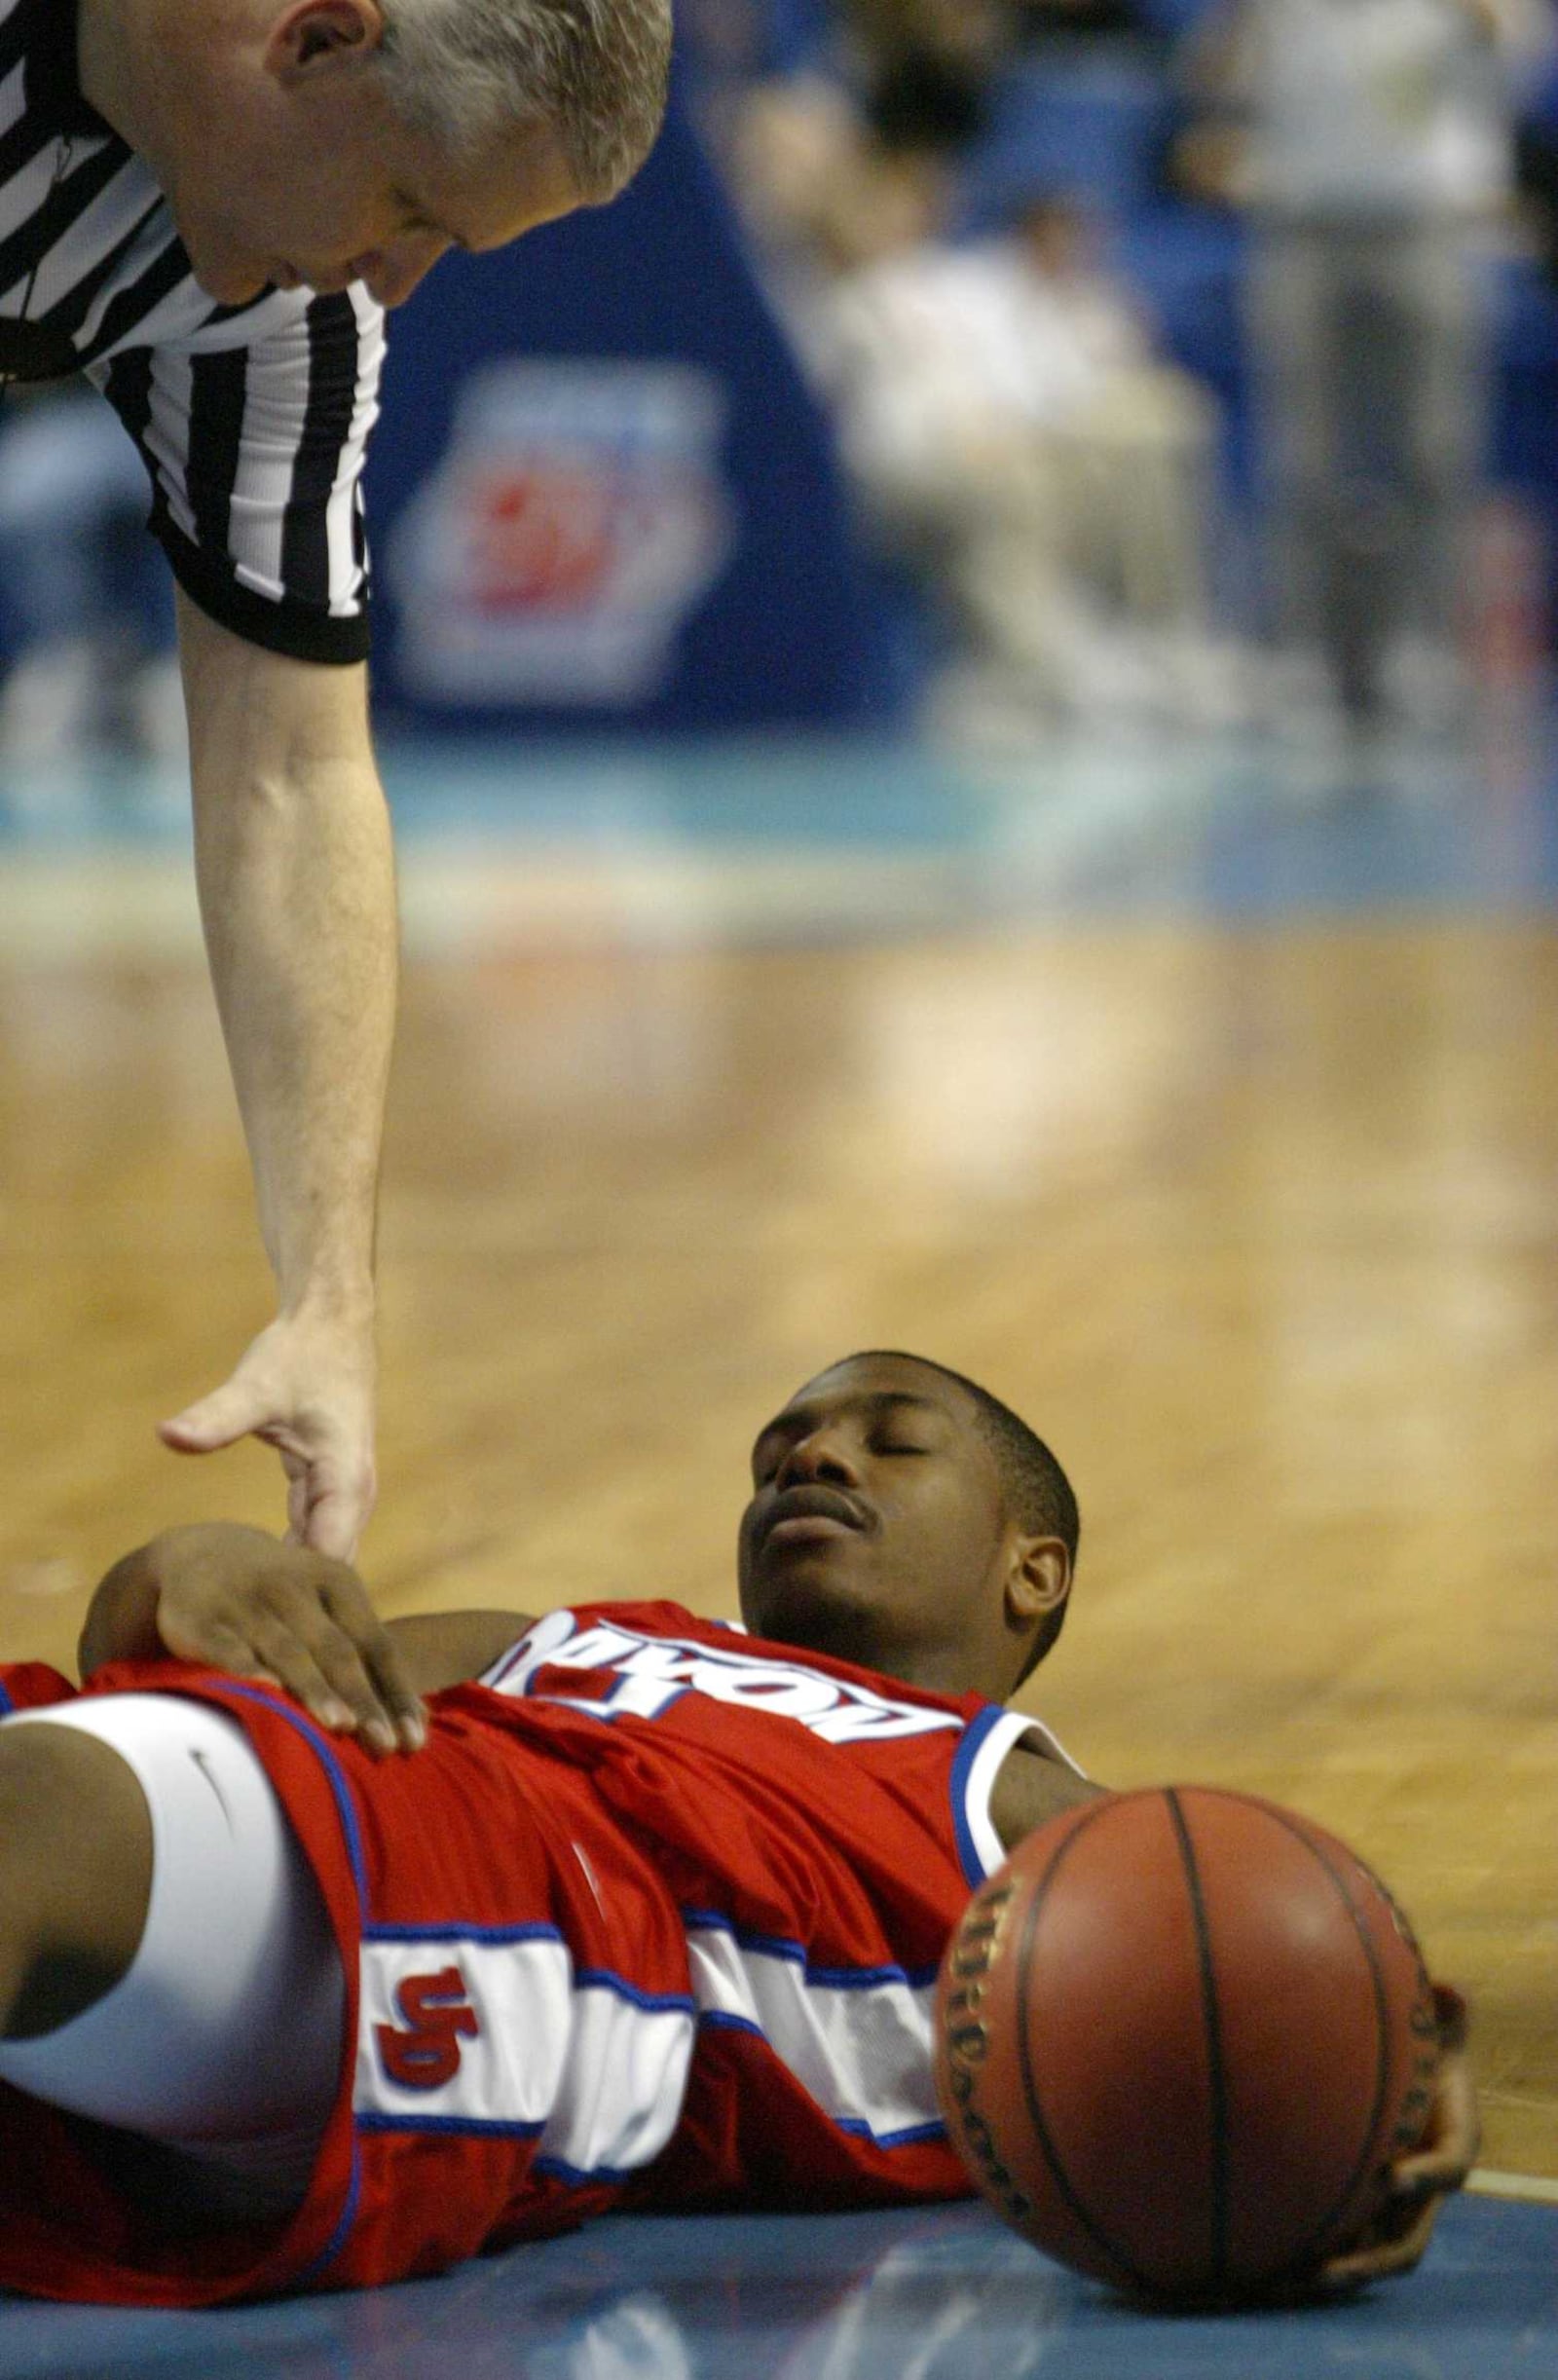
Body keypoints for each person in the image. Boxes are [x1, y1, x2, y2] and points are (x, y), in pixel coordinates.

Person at [0, 1349, 1476, 2303]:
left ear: (1034, 1573)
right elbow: (215, 1668)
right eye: (779, 1453)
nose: (812, 1461)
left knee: (40, 1817)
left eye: (888, 1443)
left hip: (555, 1925)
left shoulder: (1006, 1795)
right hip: (368, 1832)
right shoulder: (570, 1634)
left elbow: (1281, 1949)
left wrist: (1403, 2059)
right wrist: (173, 1563)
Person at [0, 0, 672, 1554]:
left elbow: (292, 770)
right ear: (316, 42)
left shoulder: (278, 309)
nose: (393, 280)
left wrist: (330, 1301)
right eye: (410, 207)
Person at [1176, 0, 1547, 734]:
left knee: (1433, 453)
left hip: (1428, 225)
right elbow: (1208, 85)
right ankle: (1304, 655)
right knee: (1303, 460)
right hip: (1303, 229)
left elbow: (1515, 54)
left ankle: (1422, 649)